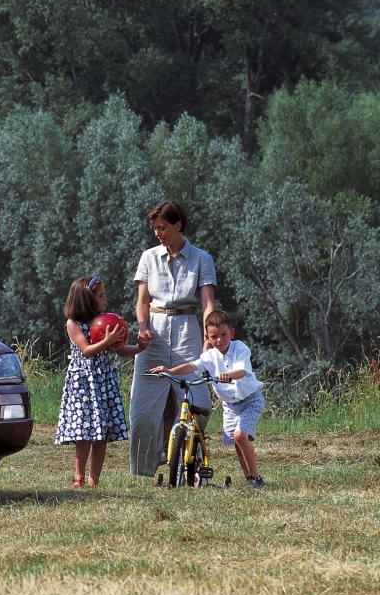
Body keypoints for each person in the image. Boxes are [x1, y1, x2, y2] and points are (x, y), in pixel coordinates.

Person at [129, 200, 217, 478]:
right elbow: (142, 300)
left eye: (162, 227)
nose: (158, 233)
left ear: (178, 225)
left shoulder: (202, 259)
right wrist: (142, 327)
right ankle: (149, 465)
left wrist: (209, 337)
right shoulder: (148, 257)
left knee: (199, 403)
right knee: (142, 411)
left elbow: (208, 304)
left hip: (187, 332)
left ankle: (183, 457)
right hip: (154, 334)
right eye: (155, 228)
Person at [150, 310, 265, 487]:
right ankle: (249, 477)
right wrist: (169, 371)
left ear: (231, 333)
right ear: (207, 337)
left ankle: (256, 477)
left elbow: (242, 371)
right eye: (214, 337)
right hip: (230, 405)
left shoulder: (240, 348)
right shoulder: (209, 356)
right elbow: (192, 366)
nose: (219, 340)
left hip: (250, 400)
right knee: (237, 441)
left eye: (224, 335)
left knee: (240, 436)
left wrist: (228, 375)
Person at [56, 275, 146, 487]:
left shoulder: (104, 322)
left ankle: (93, 479)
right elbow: (86, 350)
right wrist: (107, 340)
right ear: (87, 299)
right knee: (85, 431)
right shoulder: (73, 324)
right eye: (100, 295)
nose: (105, 298)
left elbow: (121, 350)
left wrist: (141, 347)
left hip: (104, 381)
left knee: (101, 432)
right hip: (84, 383)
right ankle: (78, 476)